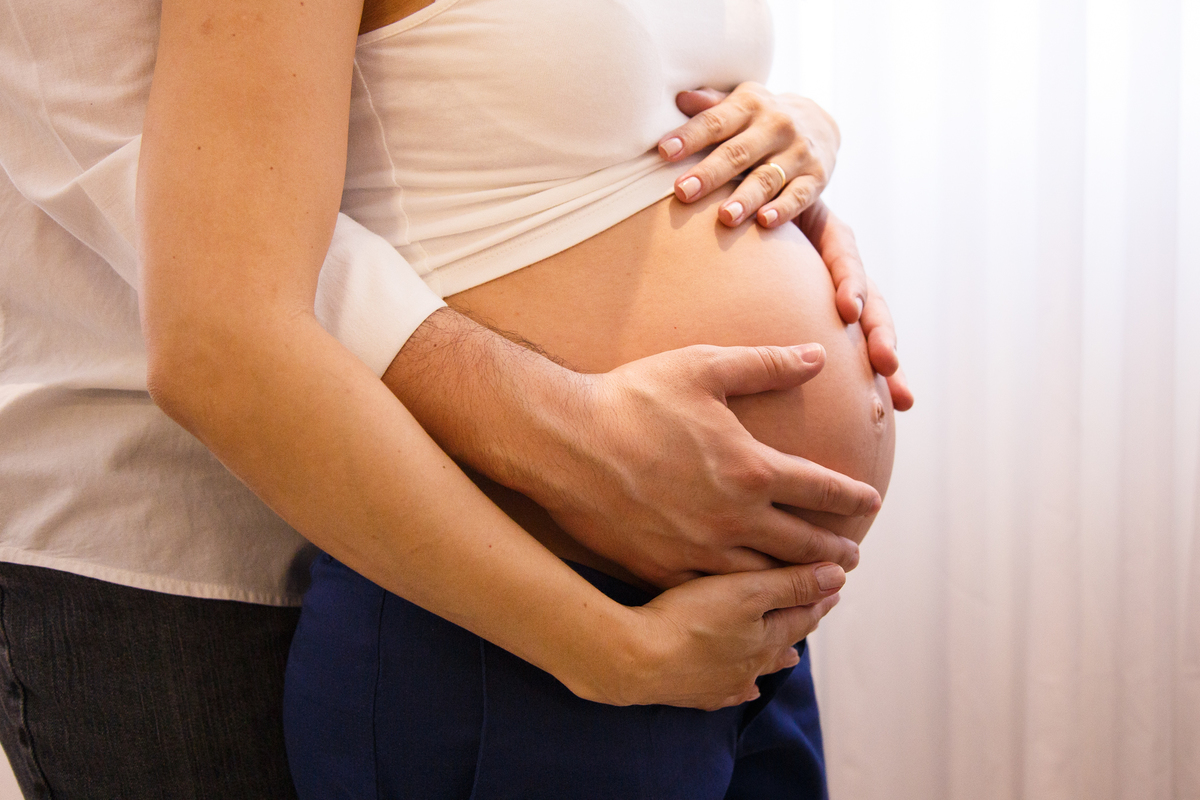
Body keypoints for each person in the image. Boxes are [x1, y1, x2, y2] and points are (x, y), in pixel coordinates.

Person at [0, 1, 907, 799]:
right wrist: (615, 648)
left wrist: (795, 139)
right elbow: (210, 306)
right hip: (502, 609)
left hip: (739, 621)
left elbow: (563, 118)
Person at [280, 1, 902, 798]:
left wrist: (801, 131)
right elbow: (227, 279)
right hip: (516, 629)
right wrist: (619, 650)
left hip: (752, 640)